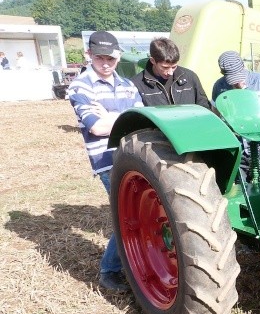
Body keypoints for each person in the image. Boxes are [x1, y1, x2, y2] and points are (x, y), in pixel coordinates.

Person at [67, 31, 143, 293]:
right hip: (108, 161)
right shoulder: (81, 87)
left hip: (135, 158)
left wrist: (111, 116)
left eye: (110, 57)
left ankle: (136, 263)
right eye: (99, 57)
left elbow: (142, 120)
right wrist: (122, 118)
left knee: (139, 215)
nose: (105, 63)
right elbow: (97, 127)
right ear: (89, 55)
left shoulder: (127, 84)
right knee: (128, 217)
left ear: (118, 56)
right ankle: (109, 271)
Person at [212, 50, 260, 179]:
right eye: (233, 81)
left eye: (239, 78)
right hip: (238, 148)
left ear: (243, 67)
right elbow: (216, 115)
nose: (239, 84)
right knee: (240, 190)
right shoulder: (219, 86)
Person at [131, 37, 210, 108]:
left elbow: (204, 106)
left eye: (174, 67)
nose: (170, 72)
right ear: (153, 61)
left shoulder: (190, 77)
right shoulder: (136, 84)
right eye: (165, 67)